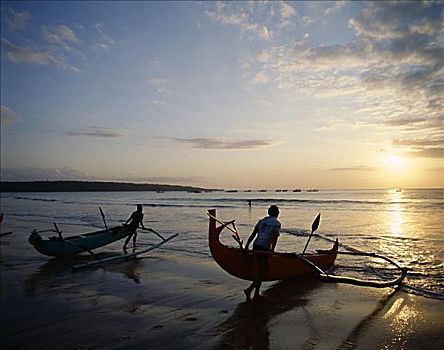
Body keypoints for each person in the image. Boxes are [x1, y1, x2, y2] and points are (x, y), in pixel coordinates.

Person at [244, 205, 281, 302]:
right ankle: (250, 290)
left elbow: (253, 234)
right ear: (277, 213)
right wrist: (272, 250)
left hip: (256, 245)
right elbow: (274, 237)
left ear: (269, 212)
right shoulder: (277, 223)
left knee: (262, 270)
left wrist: (247, 246)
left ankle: (256, 293)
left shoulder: (261, 221)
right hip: (264, 248)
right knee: (264, 271)